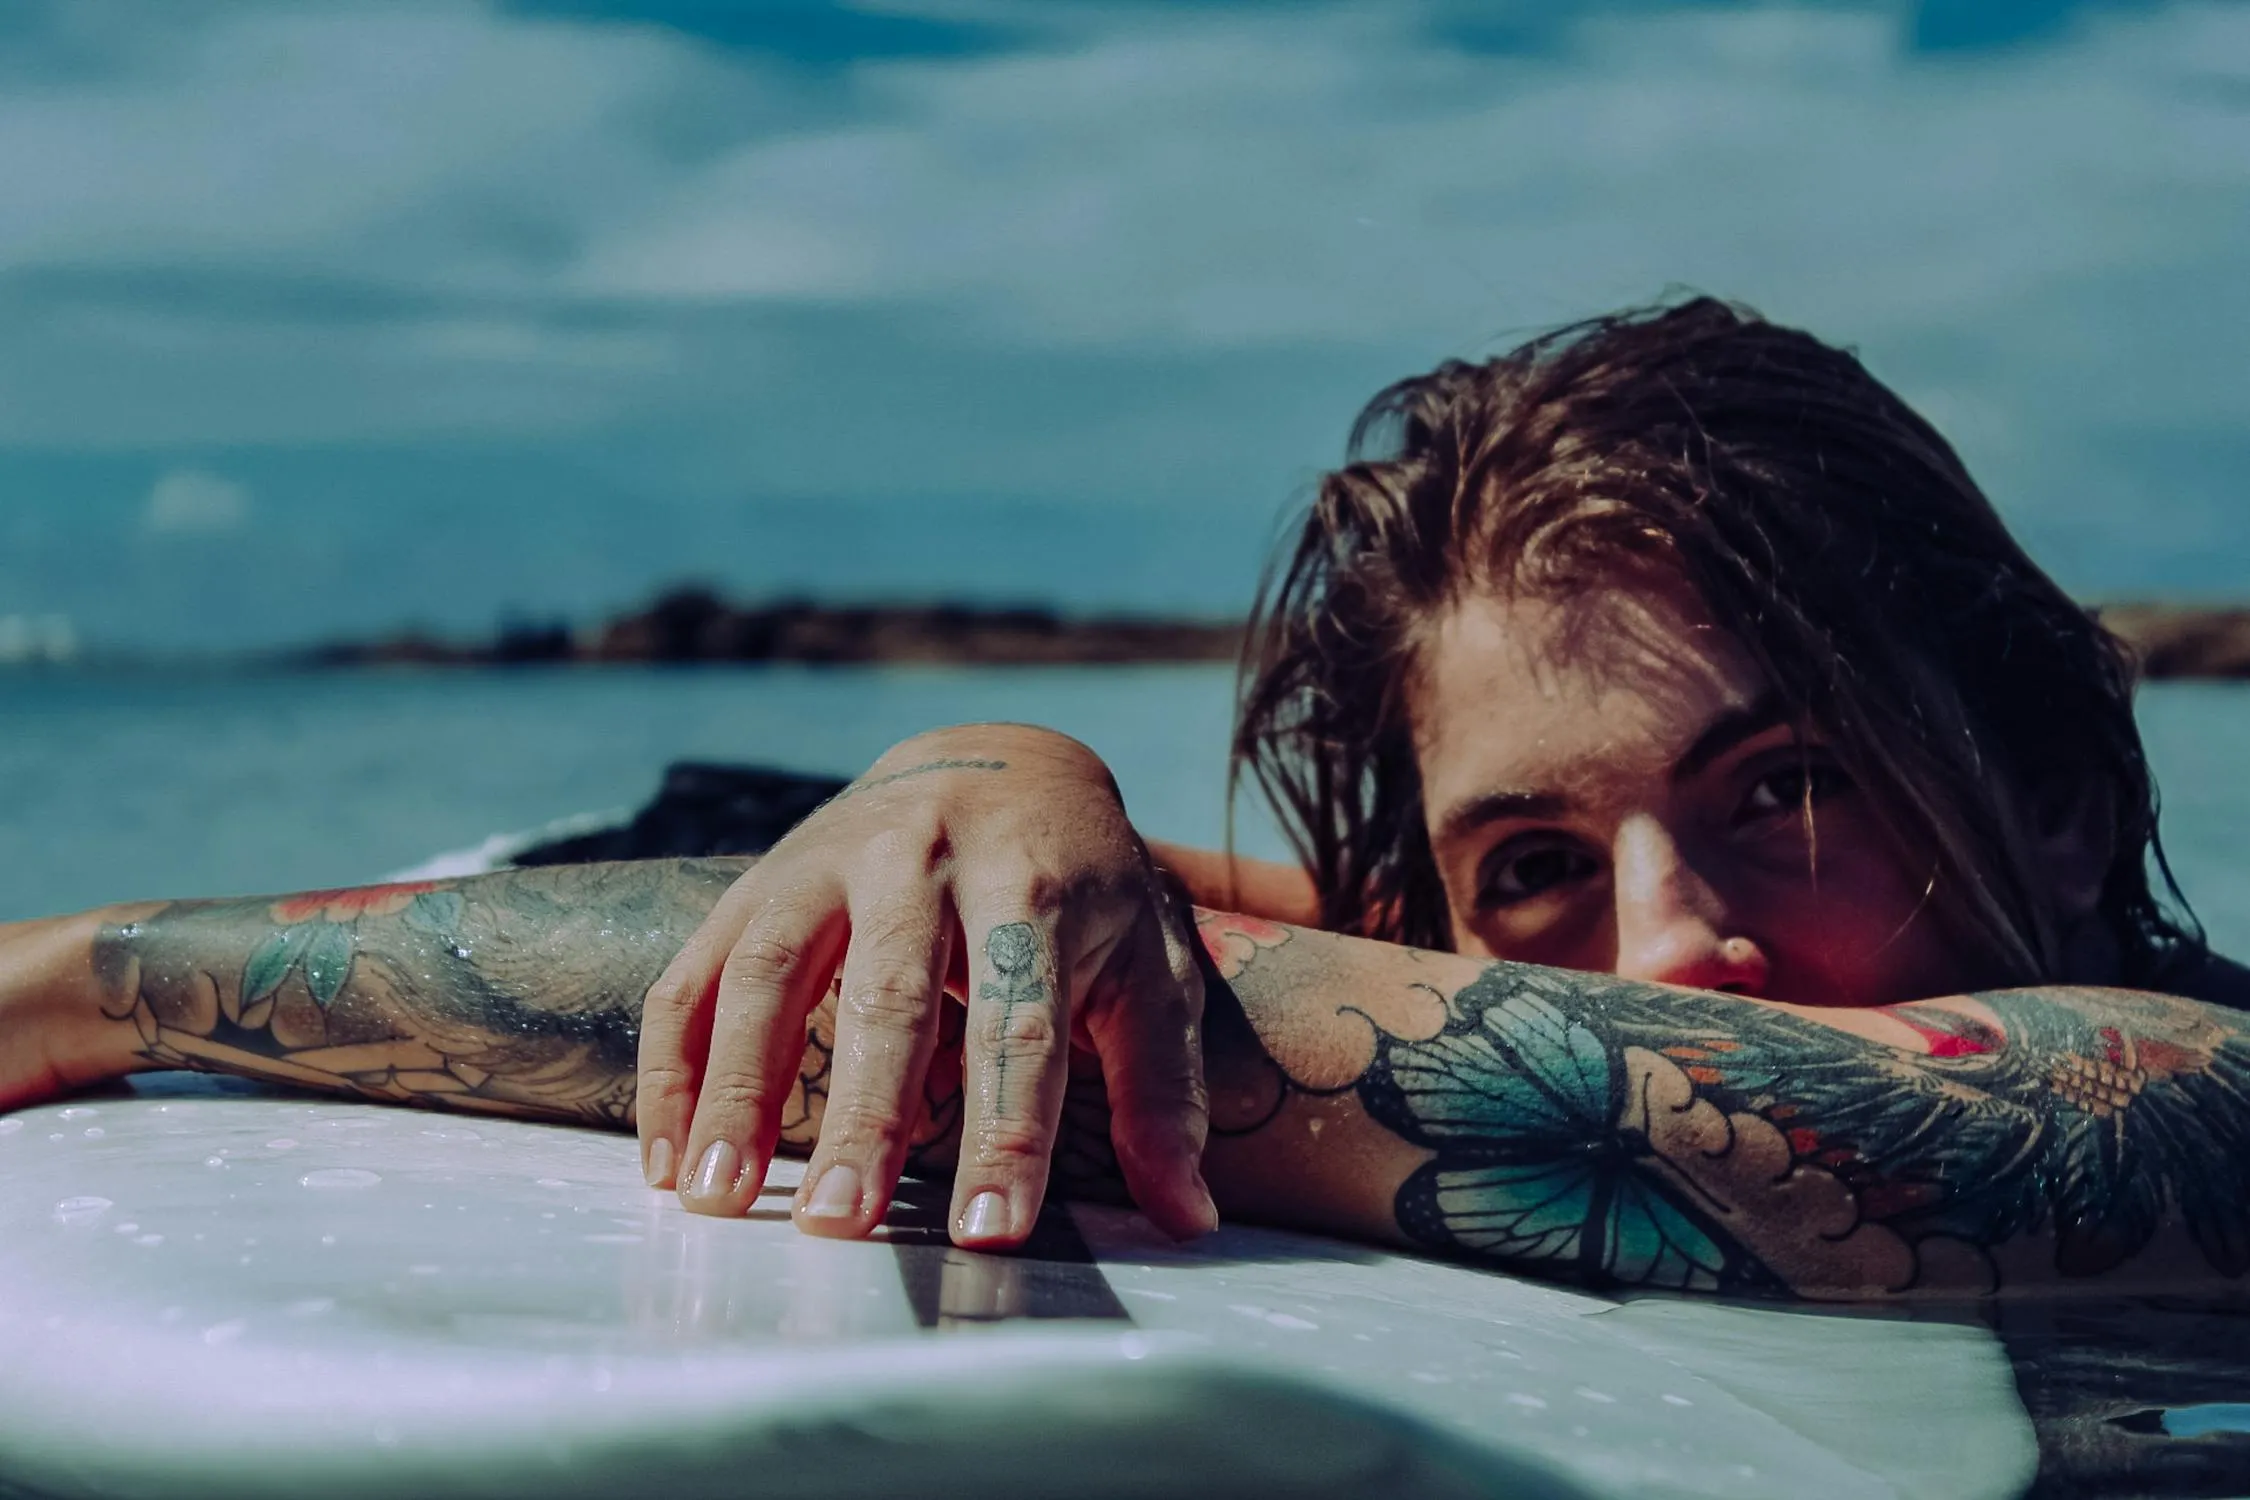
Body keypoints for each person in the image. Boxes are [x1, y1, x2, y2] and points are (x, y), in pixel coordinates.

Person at [5, 298, 2248, 1301]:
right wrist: (991, 771)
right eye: (1539, 863)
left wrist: (82, 979)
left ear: (2054, 786)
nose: (1676, 947)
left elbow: (1660, 1082)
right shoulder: (1497, 936)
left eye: (1792, 784)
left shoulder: (2199, 1107)